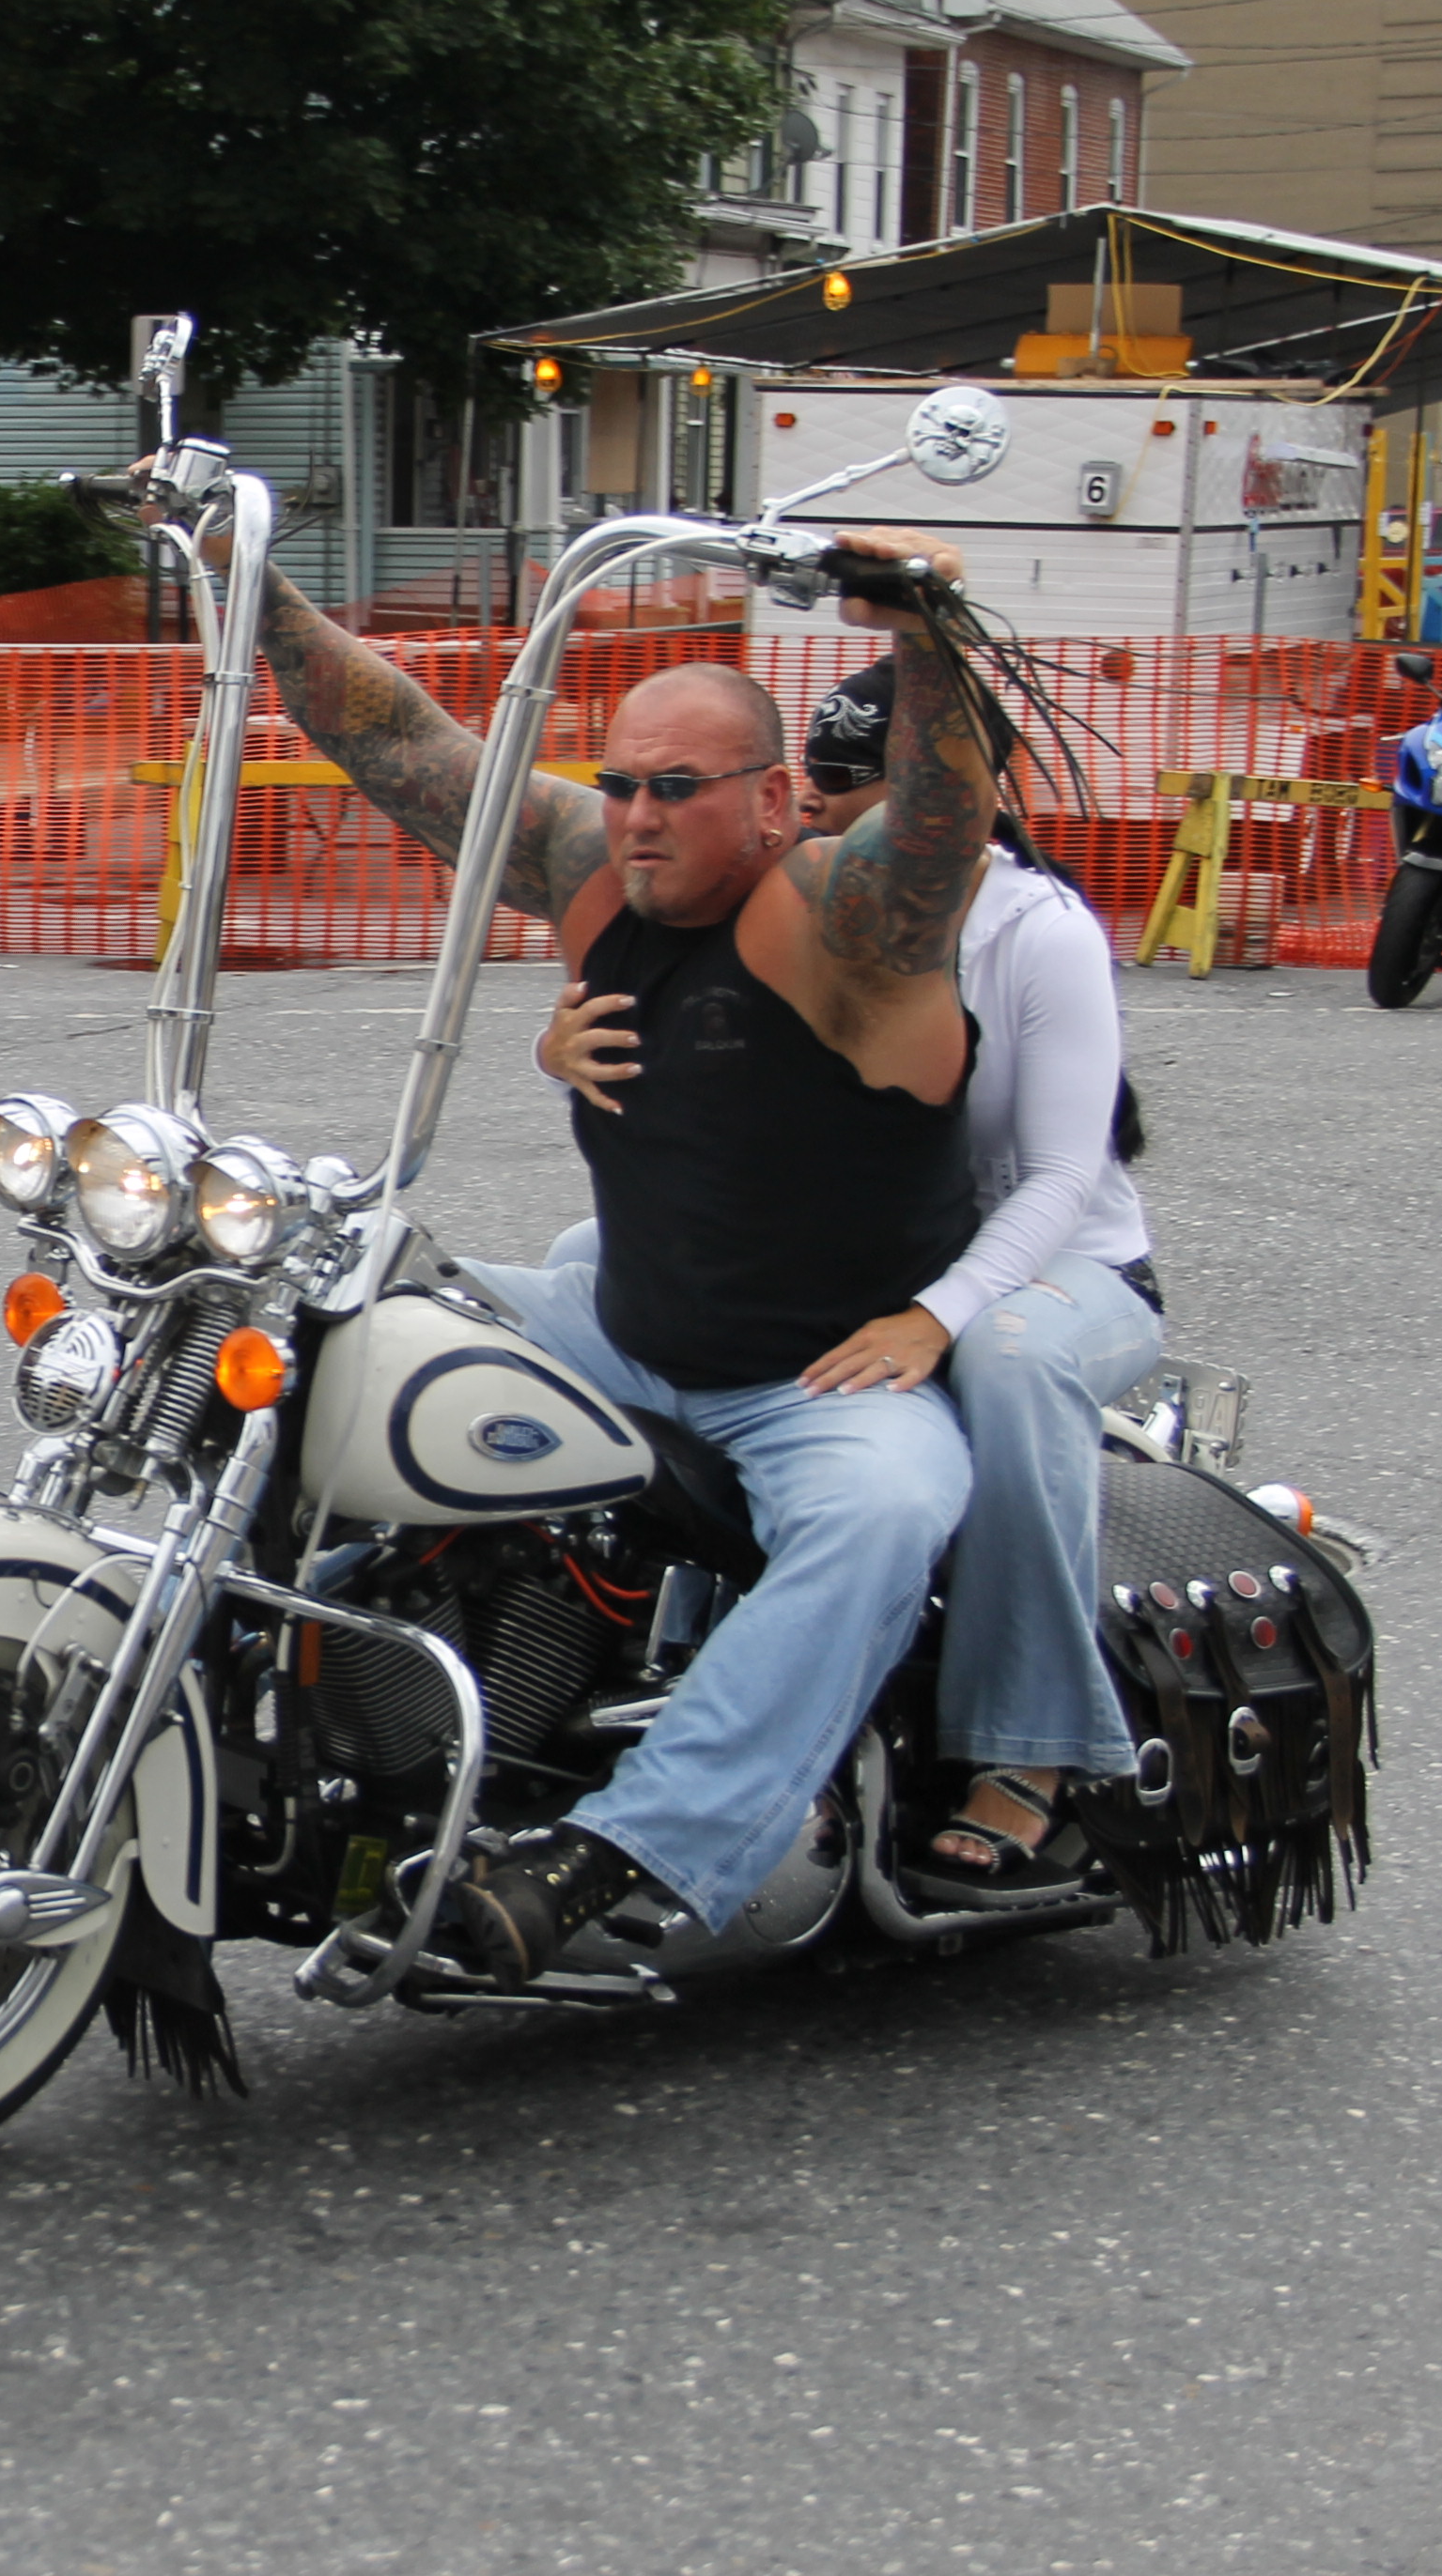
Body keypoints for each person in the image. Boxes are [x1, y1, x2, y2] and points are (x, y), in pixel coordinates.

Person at [256, 544, 994, 1982]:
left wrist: (924, 634)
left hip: (824, 1382)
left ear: (774, 801)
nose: (639, 814)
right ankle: (268, 1661)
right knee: (345, 1315)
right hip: (621, 1323)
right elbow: (401, 742)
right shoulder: (600, 877)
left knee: (886, 1516)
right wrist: (249, 578)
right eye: (622, 782)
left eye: (679, 787)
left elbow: (939, 831)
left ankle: (624, 1853)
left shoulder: (841, 926)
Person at [537, 656, 1159, 1897]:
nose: (826, 811)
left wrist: (937, 1314)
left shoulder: (1036, 932)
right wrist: (560, 1046)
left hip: (1059, 1265)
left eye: (858, 786)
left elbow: (1058, 1179)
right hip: (914, 1254)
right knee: (572, 1260)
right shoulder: (806, 913)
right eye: (816, 783)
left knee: (1012, 1363)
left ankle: (1029, 1743)